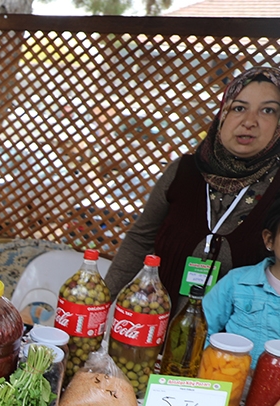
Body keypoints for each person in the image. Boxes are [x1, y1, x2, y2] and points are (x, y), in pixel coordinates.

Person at [105, 68, 280, 308]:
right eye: (239, 107)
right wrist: (101, 302)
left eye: (268, 110)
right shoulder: (183, 172)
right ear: (223, 114)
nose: (249, 122)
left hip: (233, 343)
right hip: (158, 333)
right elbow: (139, 240)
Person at [203, 197, 280, 366]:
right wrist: (220, 368)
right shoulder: (237, 282)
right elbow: (199, 330)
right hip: (229, 382)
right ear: (269, 239)